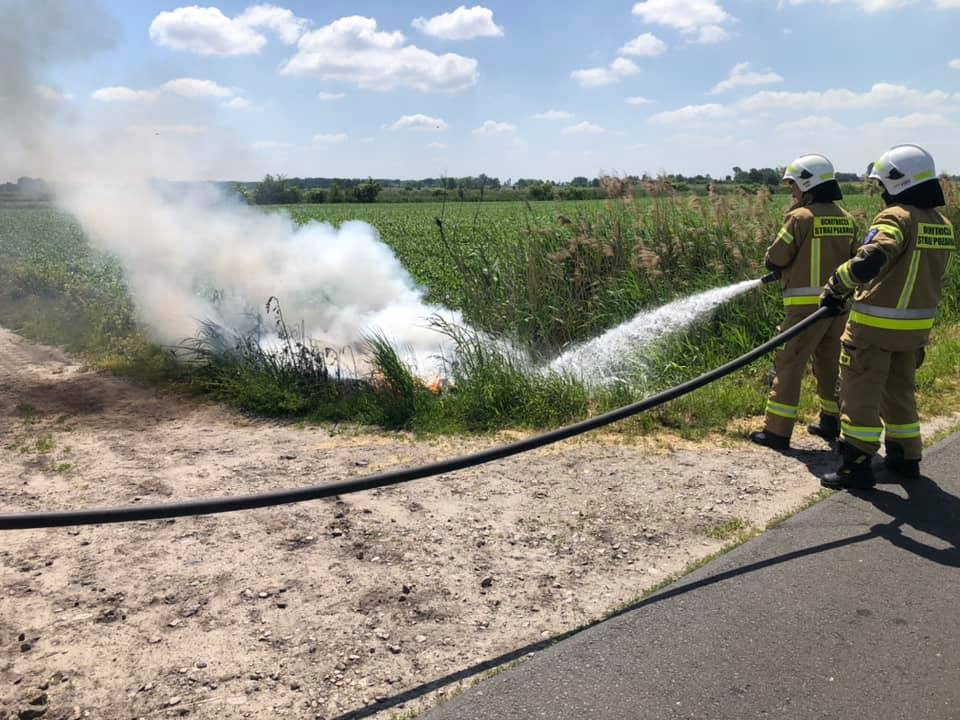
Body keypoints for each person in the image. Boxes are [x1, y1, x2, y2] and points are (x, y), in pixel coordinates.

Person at [820, 144, 956, 489]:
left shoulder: (896, 217)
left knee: (860, 394)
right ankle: (905, 457)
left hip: (873, 330)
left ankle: (855, 465)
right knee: (900, 392)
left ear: (898, 181)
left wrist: (836, 286)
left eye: (882, 183)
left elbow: (870, 260)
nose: (880, 191)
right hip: (914, 332)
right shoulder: (941, 224)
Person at [750, 154, 858, 451]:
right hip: (837, 308)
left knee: (789, 365)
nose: (792, 193)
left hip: (803, 312)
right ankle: (831, 421)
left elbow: (776, 258)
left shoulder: (800, 218)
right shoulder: (846, 219)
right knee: (829, 366)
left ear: (808, 185)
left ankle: (777, 432)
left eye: (794, 186)